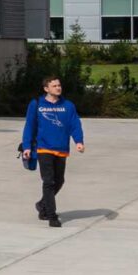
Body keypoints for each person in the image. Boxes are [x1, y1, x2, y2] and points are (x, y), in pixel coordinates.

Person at [18, 74, 85, 227]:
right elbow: (30, 126)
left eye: (59, 85)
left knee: (59, 181)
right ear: (46, 88)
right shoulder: (37, 104)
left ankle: (42, 205)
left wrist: (79, 141)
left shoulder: (68, 106)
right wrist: (27, 146)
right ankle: (51, 215)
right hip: (43, 148)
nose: (58, 88)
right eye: (54, 86)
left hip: (61, 148)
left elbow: (75, 124)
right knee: (48, 181)